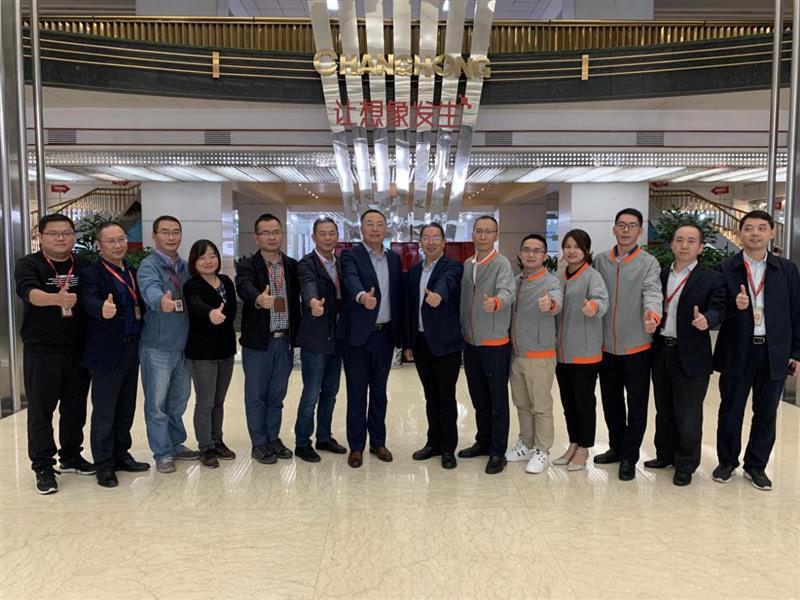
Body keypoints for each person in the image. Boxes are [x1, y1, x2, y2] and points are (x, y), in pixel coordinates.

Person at [712, 210, 800, 491]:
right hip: (737, 349)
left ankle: (756, 466)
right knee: (731, 409)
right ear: (740, 233)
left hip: (773, 352)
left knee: (767, 412)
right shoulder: (725, 268)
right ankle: (727, 462)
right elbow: (715, 309)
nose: (755, 233)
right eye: (749, 228)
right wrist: (733, 306)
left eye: (762, 228)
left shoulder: (786, 270)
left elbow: (796, 312)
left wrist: (796, 353)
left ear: (771, 233)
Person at [14, 214, 93, 494]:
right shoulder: (29, 264)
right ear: (41, 236)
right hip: (43, 349)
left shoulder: (82, 264)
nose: (61, 238)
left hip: (78, 347)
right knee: (41, 409)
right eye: (54, 233)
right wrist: (56, 299)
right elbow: (29, 294)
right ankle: (43, 466)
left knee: (75, 407)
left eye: (67, 233)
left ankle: (71, 456)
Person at [646, 224, 726, 486]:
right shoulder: (659, 276)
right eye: (679, 240)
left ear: (700, 247)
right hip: (662, 349)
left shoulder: (711, 278)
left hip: (691, 354)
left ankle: (686, 464)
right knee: (664, 409)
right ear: (672, 244)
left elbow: (719, 308)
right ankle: (664, 455)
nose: (684, 245)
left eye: (691, 241)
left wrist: (707, 320)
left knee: (689, 413)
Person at [594, 208, 663, 481]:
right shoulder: (600, 261)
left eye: (631, 226)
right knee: (611, 402)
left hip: (637, 347)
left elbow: (652, 291)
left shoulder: (648, 263)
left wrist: (652, 314)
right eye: (621, 225)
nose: (625, 230)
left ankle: (630, 456)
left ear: (639, 231)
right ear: (614, 229)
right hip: (606, 348)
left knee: (636, 406)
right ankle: (616, 447)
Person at [80, 221, 149, 488]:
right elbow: (88, 299)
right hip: (105, 352)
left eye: (121, 239)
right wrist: (101, 309)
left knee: (126, 408)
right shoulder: (91, 273)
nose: (118, 245)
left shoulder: (131, 270)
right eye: (111, 241)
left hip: (131, 348)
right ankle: (104, 464)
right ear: (99, 245)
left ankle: (121, 455)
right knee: (105, 411)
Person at [338, 209, 404, 468]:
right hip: (356, 337)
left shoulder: (394, 259)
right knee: (356, 393)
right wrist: (362, 296)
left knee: (379, 393)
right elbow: (350, 279)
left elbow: (398, 296)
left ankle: (378, 442)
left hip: (384, 336)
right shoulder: (350, 255)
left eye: (379, 224)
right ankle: (356, 447)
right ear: (361, 229)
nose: (375, 229)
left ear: (386, 229)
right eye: (370, 224)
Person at [236, 213, 300, 465]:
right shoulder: (247, 266)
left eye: (276, 232)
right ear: (257, 237)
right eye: (265, 233)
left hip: (284, 341)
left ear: (282, 234)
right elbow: (244, 286)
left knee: (277, 396)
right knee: (256, 396)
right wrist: (258, 299)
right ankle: (259, 443)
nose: (271, 237)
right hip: (259, 343)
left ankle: (273, 438)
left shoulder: (292, 266)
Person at [137, 215, 198, 473]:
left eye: (175, 232)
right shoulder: (149, 266)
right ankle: (162, 453)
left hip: (184, 346)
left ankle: (175, 443)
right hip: (158, 348)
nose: (171, 237)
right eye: (165, 232)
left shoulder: (185, 267)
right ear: (154, 236)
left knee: (179, 401)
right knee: (157, 405)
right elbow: (149, 289)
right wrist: (161, 301)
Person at [403, 222, 464, 470]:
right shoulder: (414, 271)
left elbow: (448, 282)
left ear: (443, 242)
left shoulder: (453, 266)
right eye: (426, 238)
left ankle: (448, 448)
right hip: (420, 343)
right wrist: (408, 344)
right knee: (430, 396)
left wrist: (438, 294)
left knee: (446, 396)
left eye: (435, 237)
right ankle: (433, 443)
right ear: (420, 243)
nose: (430, 242)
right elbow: (409, 308)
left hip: (446, 343)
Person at [458, 215, 515, 475]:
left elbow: (508, 291)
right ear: (472, 234)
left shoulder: (501, 263)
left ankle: (498, 450)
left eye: (488, 231)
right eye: (479, 231)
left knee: (497, 400)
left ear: (496, 235)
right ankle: (483, 441)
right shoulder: (468, 264)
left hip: (494, 343)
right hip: (471, 342)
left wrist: (497, 302)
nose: (483, 236)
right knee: (479, 396)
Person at [506, 234, 562, 474]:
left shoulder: (551, 282)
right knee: (521, 404)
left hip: (540, 355)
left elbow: (556, 303)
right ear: (520, 254)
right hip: (516, 354)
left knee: (541, 406)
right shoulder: (515, 281)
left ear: (544, 256)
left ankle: (542, 450)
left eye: (536, 250)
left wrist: (550, 304)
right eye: (526, 249)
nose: (530, 254)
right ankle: (526, 443)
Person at [554, 229, 609, 471]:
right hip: (562, 352)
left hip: (585, 352)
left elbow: (602, 301)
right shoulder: (558, 276)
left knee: (584, 402)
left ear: (586, 250)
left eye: (577, 246)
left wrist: (593, 306)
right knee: (568, 403)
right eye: (567, 246)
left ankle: (584, 447)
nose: (571, 251)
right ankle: (573, 443)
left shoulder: (592, 276)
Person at [294, 217, 347, 462]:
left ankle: (324, 437)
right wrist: (313, 302)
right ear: (314, 237)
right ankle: (302, 442)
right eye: (322, 233)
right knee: (311, 394)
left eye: (331, 233)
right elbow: (308, 285)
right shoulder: (307, 263)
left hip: (337, 337)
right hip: (315, 338)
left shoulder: (342, 262)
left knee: (330, 392)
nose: (327, 238)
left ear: (337, 236)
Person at [183, 239, 238, 468]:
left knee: (219, 401)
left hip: (226, 349)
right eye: (202, 257)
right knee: (205, 403)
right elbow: (195, 304)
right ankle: (205, 446)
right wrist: (210, 313)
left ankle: (217, 440)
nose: (208, 261)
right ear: (194, 262)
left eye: (212, 256)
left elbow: (232, 312)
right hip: (202, 353)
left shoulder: (226, 282)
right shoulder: (192, 286)